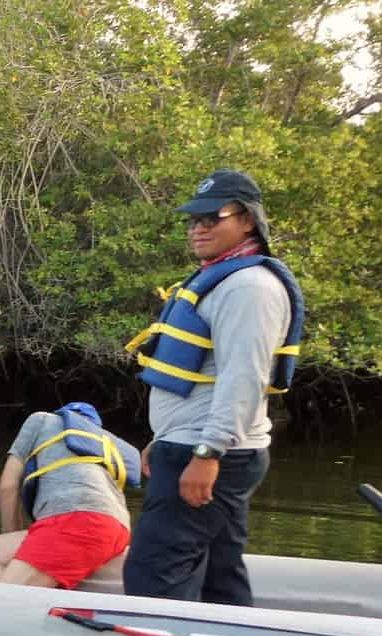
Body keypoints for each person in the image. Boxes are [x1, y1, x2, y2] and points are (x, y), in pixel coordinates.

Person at [121, 169, 305, 605]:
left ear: (247, 220)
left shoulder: (249, 287)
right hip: (191, 443)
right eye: (193, 219)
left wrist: (207, 453)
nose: (198, 227)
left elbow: (245, 378)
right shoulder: (225, 279)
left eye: (211, 217)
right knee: (219, 573)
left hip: (208, 452)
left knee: (154, 569)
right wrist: (164, 438)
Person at [0, 402, 141, 588]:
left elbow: (8, 487)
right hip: (118, 530)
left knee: (7, 597)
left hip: (76, 522)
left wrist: (17, 541)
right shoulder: (104, 444)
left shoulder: (41, 420)